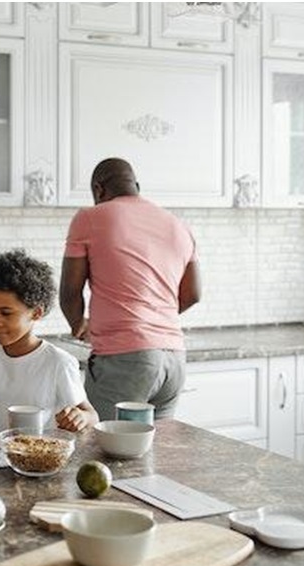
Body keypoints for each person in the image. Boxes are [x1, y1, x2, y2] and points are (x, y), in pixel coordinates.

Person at [60, 157, 201, 421]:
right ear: (136, 185)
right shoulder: (178, 224)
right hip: (174, 360)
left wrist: (78, 323)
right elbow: (193, 294)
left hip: (124, 358)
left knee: (101, 449)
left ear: (98, 189)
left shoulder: (90, 217)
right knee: (157, 449)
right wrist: (150, 316)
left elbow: (69, 290)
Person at [0, 250, 98, 443]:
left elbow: (90, 414)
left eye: (6, 313)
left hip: (40, 457)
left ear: (36, 313)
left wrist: (80, 418)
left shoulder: (59, 362)